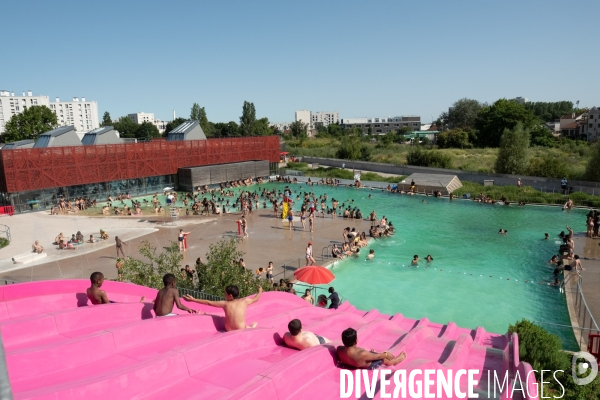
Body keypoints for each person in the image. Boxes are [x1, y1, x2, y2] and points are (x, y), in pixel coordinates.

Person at [183, 285, 262, 331]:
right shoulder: (245, 301)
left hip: (229, 330)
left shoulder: (225, 304)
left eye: (225, 294)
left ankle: (250, 327)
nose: (224, 295)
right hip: (241, 329)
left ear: (230, 296)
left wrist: (193, 299)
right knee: (245, 326)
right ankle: (250, 327)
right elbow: (256, 298)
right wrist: (260, 291)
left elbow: (208, 302)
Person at [336, 327, 407, 370]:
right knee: (384, 358)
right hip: (366, 365)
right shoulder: (362, 354)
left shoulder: (339, 349)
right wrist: (386, 354)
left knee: (364, 352)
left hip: (356, 361)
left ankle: (371, 354)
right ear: (356, 341)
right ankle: (396, 361)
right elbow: (378, 356)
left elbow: (353, 352)